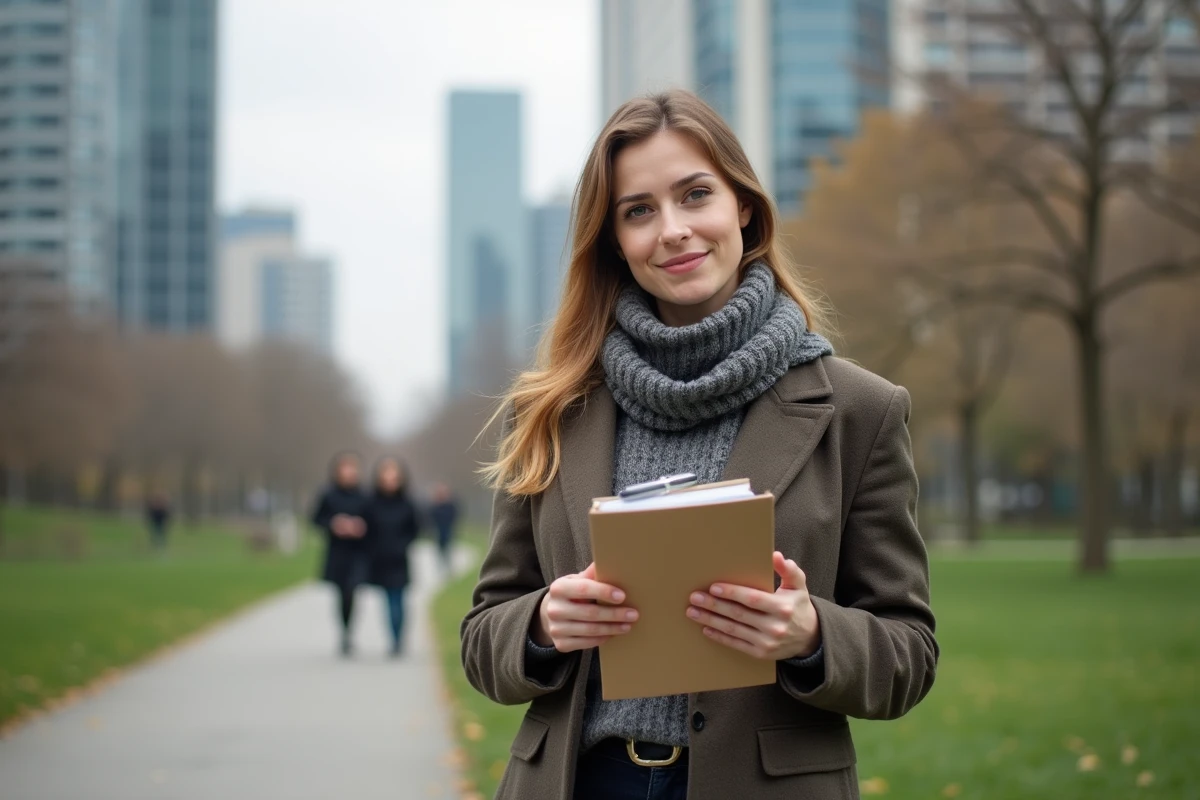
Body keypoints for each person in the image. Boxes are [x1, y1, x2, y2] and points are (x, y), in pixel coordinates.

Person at [461, 90, 938, 800]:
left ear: (743, 205)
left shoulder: (859, 411)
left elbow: (909, 654)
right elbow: (481, 640)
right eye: (639, 211)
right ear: (614, 240)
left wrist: (809, 635)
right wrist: (540, 623)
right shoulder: (551, 409)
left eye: (695, 195)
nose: (674, 230)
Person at [311, 452, 369, 656]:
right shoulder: (328, 494)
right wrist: (334, 524)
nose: (349, 472)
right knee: (341, 594)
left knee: (351, 592)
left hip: (358, 553)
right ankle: (344, 633)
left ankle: (349, 633)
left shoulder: (364, 495)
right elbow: (315, 520)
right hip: (337, 553)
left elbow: (374, 521)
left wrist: (360, 526)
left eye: (352, 468)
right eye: (345, 468)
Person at [365, 457, 421, 657]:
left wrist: (402, 545)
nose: (390, 480)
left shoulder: (407, 503)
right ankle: (393, 638)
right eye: (386, 475)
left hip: (399, 559)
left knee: (397, 600)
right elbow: (365, 528)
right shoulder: (370, 502)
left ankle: (398, 640)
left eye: (394, 476)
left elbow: (416, 529)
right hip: (379, 560)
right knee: (386, 601)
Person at [428, 482, 460, 576]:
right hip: (438, 534)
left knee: (449, 554)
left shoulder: (450, 506)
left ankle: (449, 573)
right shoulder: (435, 506)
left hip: (449, 533)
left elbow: (454, 517)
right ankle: (441, 573)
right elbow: (431, 519)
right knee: (439, 554)